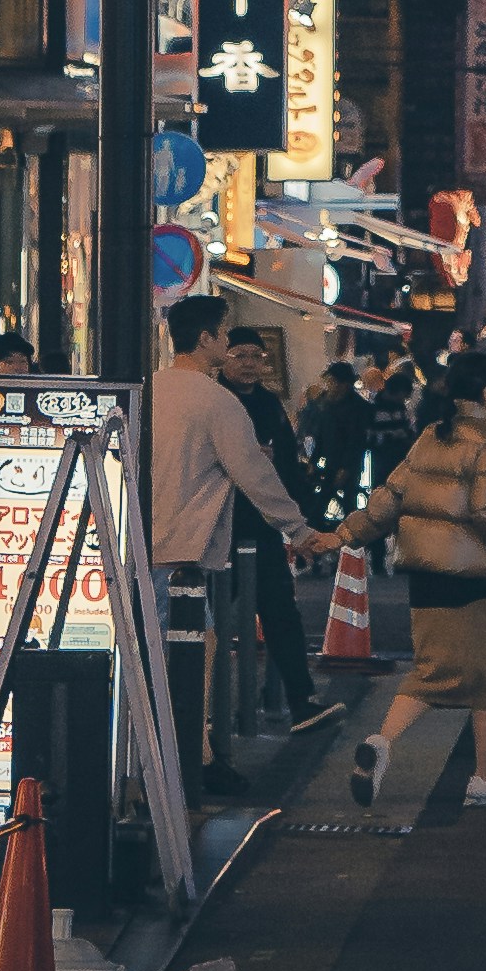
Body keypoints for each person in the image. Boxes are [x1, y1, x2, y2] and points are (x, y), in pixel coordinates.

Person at [316, 351, 486, 805]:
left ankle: (382, 742)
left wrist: (344, 533)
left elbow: (390, 497)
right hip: (477, 576)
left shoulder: (431, 437)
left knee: (431, 673)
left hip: (427, 577)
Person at [150, 295, 340, 757]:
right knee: (191, 650)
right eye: (224, 335)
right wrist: (299, 530)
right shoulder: (217, 401)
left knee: (181, 646)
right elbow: (255, 473)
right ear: (205, 339)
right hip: (183, 543)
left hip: (140, 538)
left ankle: (192, 756)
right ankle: (186, 761)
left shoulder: (149, 388)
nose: (232, 345)